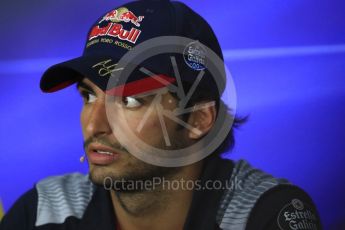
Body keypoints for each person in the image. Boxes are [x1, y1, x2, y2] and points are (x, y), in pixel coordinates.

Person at [0, 0, 322, 229]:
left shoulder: (265, 215)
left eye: (129, 101)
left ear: (198, 119)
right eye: (88, 95)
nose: (93, 124)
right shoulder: (42, 210)